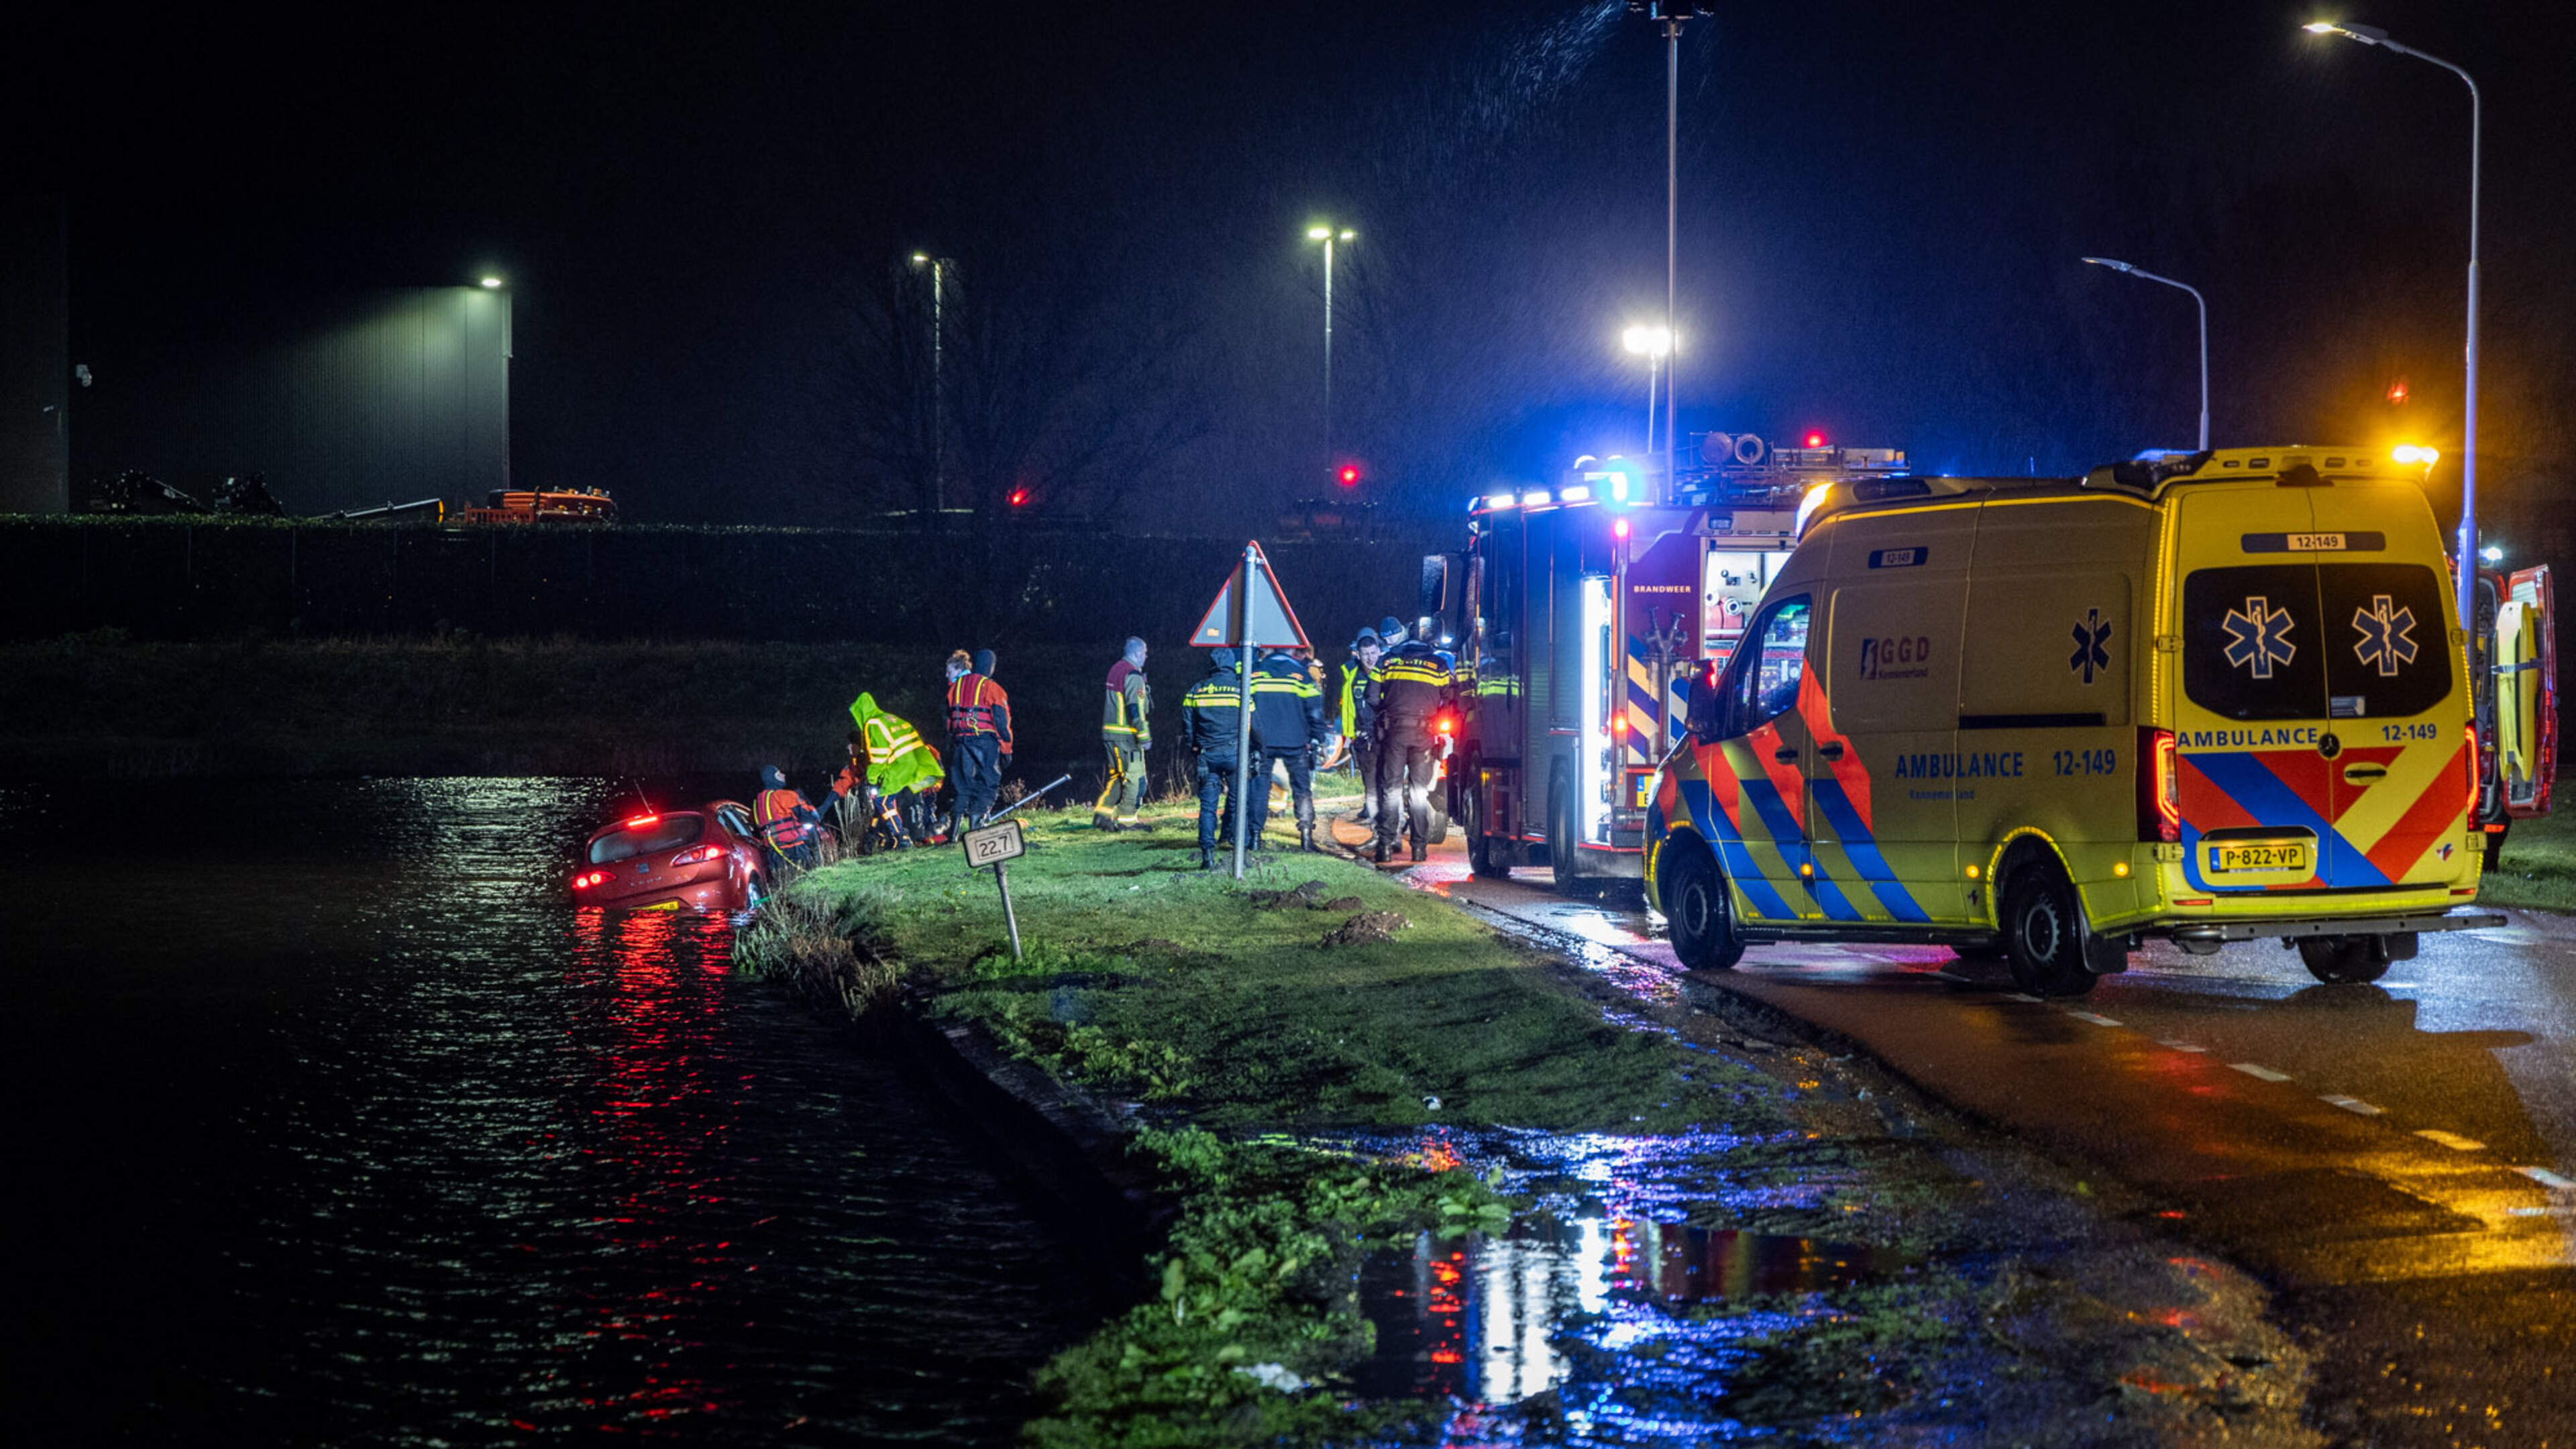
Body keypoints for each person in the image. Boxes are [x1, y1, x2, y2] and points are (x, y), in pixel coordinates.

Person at [1368, 624, 1453, 864]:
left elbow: (1372, 696)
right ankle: (1419, 849)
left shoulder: (1387, 661)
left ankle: (1385, 847)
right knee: (1419, 793)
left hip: (1394, 732)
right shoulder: (1438, 665)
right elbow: (1450, 699)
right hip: (1425, 735)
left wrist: (1387, 712)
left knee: (1391, 790)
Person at [1181, 647, 1261, 869]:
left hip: (1208, 756)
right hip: (1235, 754)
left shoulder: (1196, 691)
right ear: (1231, 665)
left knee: (1208, 807)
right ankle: (1240, 852)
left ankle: (1207, 855)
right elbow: (1254, 725)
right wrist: (1257, 749)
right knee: (1238, 804)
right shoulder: (1240, 690)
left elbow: (1188, 725)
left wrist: (1194, 747)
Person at [845, 693, 945, 849]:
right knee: (908, 801)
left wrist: (872, 778)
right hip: (919, 765)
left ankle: (902, 837)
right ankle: (911, 835)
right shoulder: (890, 718)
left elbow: (879, 756)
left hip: (901, 768)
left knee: (883, 802)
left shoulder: (873, 724)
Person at [1251, 644, 1327, 851]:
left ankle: (1255, 837)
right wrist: (1318, 738)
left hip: (1263, 740)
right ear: (1292, 651)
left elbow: (1245, 707)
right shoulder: (1301, 674)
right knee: (1302, 789)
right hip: (1295, 741)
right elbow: (1315, 710)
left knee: (1260, 787)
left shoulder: (1256, 672)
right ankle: (1306, 837)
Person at [944, 647, 1013, 828]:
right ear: (991, 667)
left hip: (960, 742)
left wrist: (951, 745)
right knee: (988, 783)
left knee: (962, 787)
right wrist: (1006, 751)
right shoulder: (993, 688)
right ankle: (976, 827)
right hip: (985, 742)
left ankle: (953, 833)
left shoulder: (954, 688)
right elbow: (1002, 725)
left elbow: (950, 721)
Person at [1093, 636, 1152, 830]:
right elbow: (1135, 708)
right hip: (1126, 736)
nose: (1146, 656)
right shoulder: (1132, 674)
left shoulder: (1116, 669)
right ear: (1136, 653)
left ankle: (1102, 815)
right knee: (1135, 778)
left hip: (1110, 734)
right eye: (1144, 652)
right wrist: (1144, 737)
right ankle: (1128, 822)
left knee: (1118, 777)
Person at [1335, 627, 1384, 822]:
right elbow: (1348, 707)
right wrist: (1349, 735)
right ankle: (1374, 820)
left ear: (1379, 652)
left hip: (1384, 736)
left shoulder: (1387, 672)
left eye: (1373, 653)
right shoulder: (1351, 674)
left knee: (1387, 781)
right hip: (1362, 737)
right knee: (1369, 781)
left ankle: (1388, 821)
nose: (1370, 659)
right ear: (1358, 654)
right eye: (1366, 655)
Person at [753, 764, 823, 869]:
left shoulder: (758, 801)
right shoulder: (786, 796)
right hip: (794, 849)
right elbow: (810, 818)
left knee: (785, 881)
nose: (783, 775)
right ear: (772, 778)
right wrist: (807, 803)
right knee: (805, 877)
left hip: (773, 852)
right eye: (778, 773)